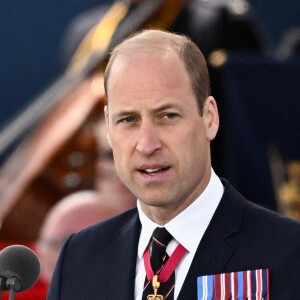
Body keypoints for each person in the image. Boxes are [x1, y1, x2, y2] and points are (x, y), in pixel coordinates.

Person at [47, 30, 300, 299]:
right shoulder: (79, 258)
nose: (147, 144)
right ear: (108, 126)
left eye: (167, 116)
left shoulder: (289, 253)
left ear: (210, 118)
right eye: (128, 120)